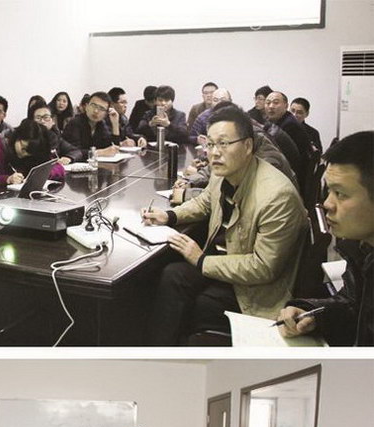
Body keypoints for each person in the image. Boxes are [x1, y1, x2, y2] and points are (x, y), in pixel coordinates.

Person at [143, 105, 306, 345]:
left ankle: (176, 350)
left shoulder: (276, 195)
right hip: (224, 262)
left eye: (224, 144)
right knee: (171, 275)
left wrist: (201, 260)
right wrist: (169, 216)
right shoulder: (224, 173)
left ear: (248, 146)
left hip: (253, 289)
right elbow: (204, 203)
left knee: (198, 303)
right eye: (210, 144)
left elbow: (263, 268)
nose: (214, 153)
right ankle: (157, 351)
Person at [278, 131, 374, 346]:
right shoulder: (361, 247)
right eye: (329, 191)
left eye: (341, 194)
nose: (327, 204)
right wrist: (312, 314)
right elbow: (353, 304)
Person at [0, 117, 65, 187]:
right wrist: (7, 179)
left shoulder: (35, 148)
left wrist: (43, 174)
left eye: (29, 152)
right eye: (23, 148)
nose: (24, 154)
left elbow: (58, 168)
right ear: (17, 137)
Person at [264, 91, 313, 186]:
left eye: (275, 102)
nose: (271, 106)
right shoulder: (279, 121)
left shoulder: (289, 125)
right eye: (268, 103)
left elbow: (280, 159)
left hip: (293, 179)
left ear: (286, 106)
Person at [62, 91, 120, 161]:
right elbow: (75, 152)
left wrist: (115, 124)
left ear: (106, 114)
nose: (96, 111)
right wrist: (100, 152)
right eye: (93, 105)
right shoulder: (75, 123)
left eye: (101, 108)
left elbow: (112, 148)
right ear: (86, 106)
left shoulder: (101, 124)